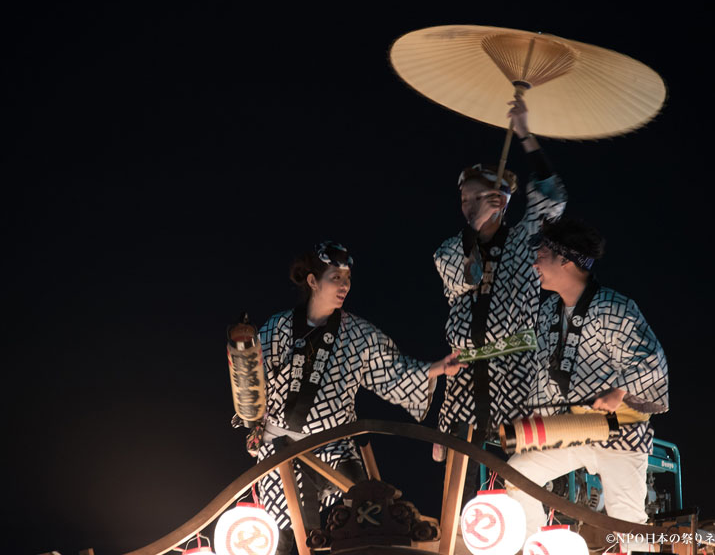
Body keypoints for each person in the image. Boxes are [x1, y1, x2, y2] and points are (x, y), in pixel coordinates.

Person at [238, 241, 464, 554]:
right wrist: (252, 419)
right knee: (293, 535)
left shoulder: (359, 334)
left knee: (369, 508)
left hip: (335, 441)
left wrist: (435, 368)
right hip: (281, 447)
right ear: (313, 281)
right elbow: (251, 387)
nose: (345, 285)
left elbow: (393, 370)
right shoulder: (276, 328)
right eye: (336, 278)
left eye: (347, 278)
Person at [432, 97, 567, 499]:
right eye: (464, 201)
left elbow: (554, 198)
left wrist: (525, 134)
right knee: (460, 477)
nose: (468, 206)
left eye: (478, 198)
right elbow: (462, 279)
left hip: (518, 373)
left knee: (519, 476)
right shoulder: (451, 249)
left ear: (501, 201)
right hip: (464, 375)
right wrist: (473, 227)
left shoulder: (526, 241)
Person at [505, 217, 669, 540]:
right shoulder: (548, 312)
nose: (535, 260)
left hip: (619, 433)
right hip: (574, 429)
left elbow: (653, 360)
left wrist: (619, 391)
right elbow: (541, 372)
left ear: (565, 259)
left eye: (543, 253)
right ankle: (541, 543)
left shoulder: (615, 307)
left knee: (628, 523)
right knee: (517, 473)